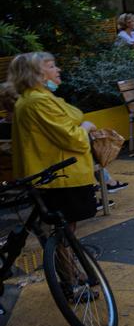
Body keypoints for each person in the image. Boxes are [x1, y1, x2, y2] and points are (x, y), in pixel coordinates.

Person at [3, 53, 101, 227]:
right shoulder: (39, 101)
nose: (58, 69)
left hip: (56, 173)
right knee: (65, 229)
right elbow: (72, 138)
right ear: (36, 74)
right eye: (51, 66)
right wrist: (86, 127)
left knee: (65, 229)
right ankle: (64, 255)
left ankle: (65, 254)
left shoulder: (37, 97)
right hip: (59, 174)